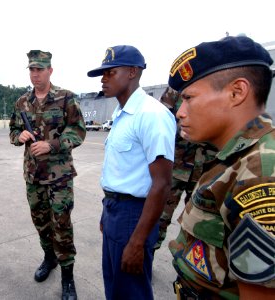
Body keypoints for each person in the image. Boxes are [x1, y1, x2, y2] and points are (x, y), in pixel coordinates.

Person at [168, 36, 275, 299]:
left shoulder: (261, 174)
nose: (180, 112)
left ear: (237, 93)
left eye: (189, 98)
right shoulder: (236, 157)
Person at [87, 45, 176, 299]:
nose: (103, 79)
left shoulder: (151, 115)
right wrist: (107, 213)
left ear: (133, 72)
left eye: (110, 72)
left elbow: (161, 184)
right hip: (116, 210)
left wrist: (137, 241)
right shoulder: (122, 114)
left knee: (131, 292)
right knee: (115, 288)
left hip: (135, 215)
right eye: (102, 74)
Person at [9, 50, 86, 300]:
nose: (35, 74)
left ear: (50, 71)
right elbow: (13, 131)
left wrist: (52, 145)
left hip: (59, 177)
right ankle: (49, 258)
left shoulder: (66, 98)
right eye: (31, 69)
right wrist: (18, 136)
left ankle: (68, 277)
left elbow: (78, 131)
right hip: (33, 177)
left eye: (39, 69)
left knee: (61, 225)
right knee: (41, 223)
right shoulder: (22, 102)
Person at [153, 87, 217, 251]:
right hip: (175, 167)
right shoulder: (176, 90)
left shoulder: (218, 88)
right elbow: (161, 120)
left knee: (200, 222)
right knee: (159, 216)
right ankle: (148, 254)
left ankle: (192, 267)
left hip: (206, 170)